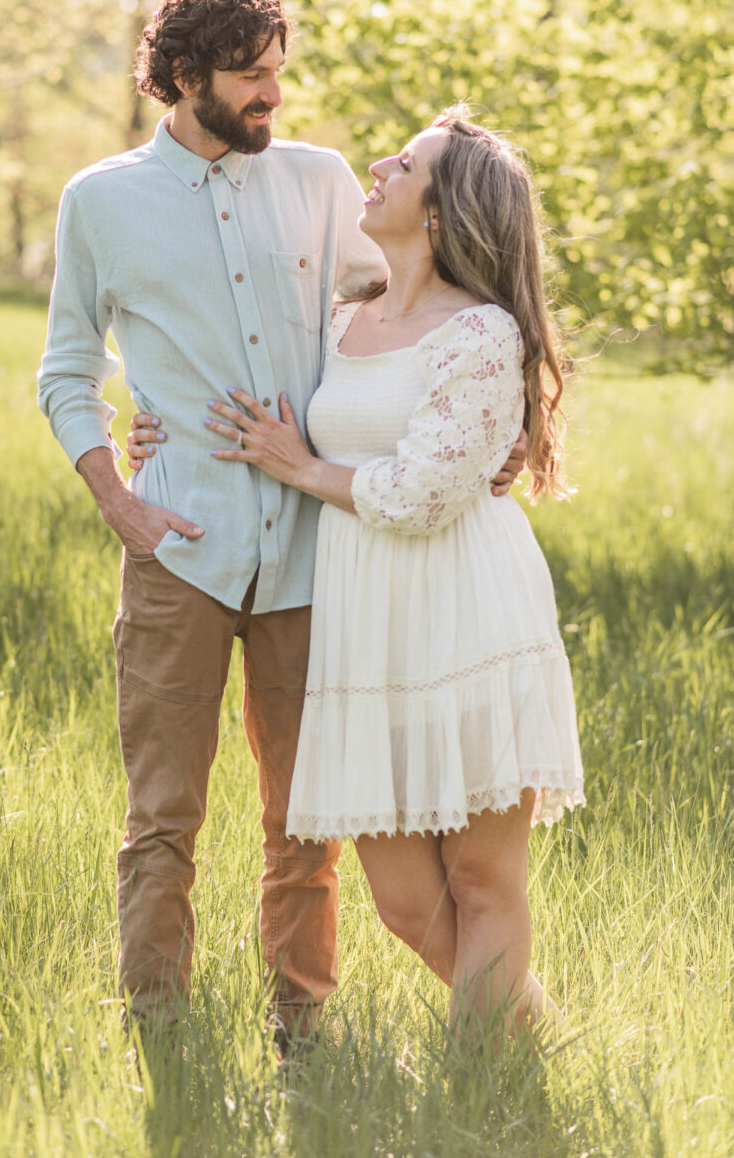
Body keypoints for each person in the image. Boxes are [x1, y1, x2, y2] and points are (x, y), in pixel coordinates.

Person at [38, 0, 525, 1049]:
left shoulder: (318, 179)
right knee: (163, 818)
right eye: (249, 76)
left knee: (305, 822)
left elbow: (412, 306)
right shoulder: (100, 201)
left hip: (314, 553)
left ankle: (301, 1032)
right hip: (180, 546)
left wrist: (485, 429)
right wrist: (115, 492)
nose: (271, 94)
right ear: (183, 76)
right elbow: (67, 369)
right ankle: (159, 1031)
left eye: (276, 71)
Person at [129, 106, 584, 1043]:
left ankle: (482, 1082)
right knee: (408, 904)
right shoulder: (337, 321)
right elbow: (237, 380)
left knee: (481, 880)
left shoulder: (482, 333)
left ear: (442, 209)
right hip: (366, 633)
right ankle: (534, 1037)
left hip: (468, 616)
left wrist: (303, 468)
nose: (377, 164)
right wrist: (157, 430)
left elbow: (420, 493)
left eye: (406, 163)